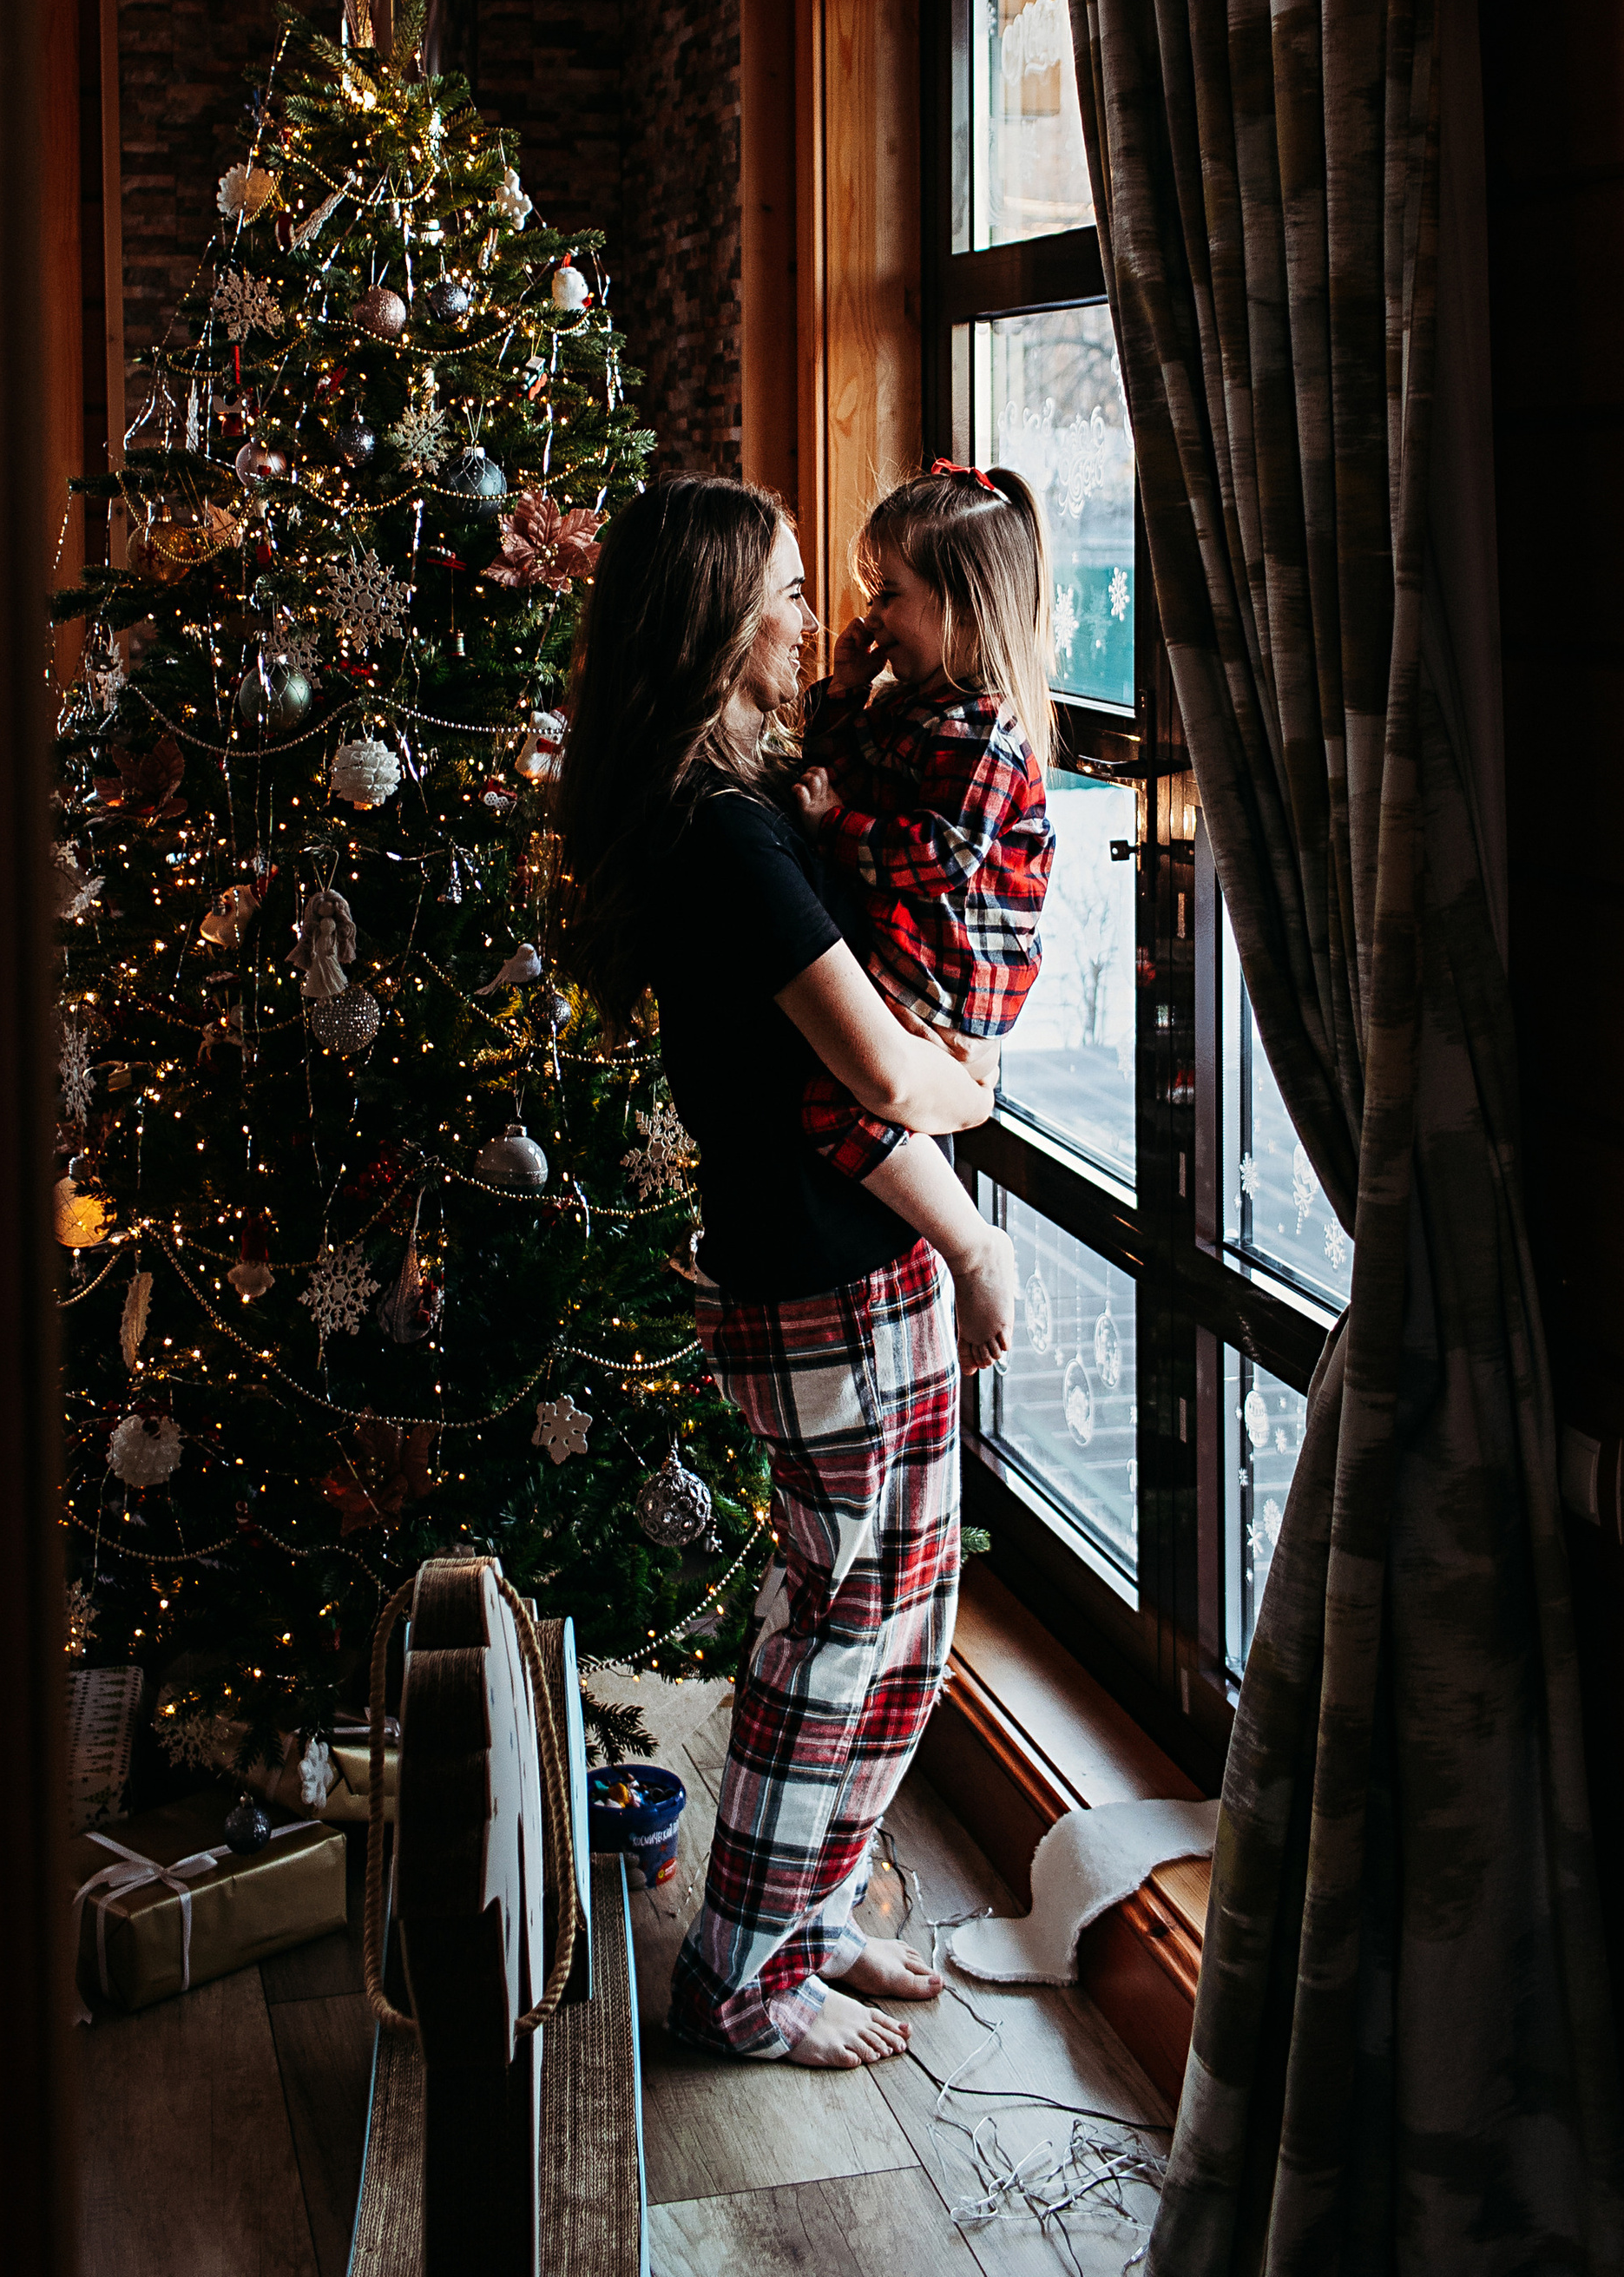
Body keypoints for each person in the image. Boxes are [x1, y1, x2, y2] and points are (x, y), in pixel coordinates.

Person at [556, 475, 1018, 2068]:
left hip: (865, 1264)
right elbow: (882, 1074)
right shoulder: (722, 837)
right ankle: (740, 1981)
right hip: (816, 1280)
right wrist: (970, 1089)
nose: (819, 619)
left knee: (904, 1615)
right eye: (795, 589)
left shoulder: (747, 804)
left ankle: (811, 1917)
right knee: (832, 1637)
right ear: (721, 623)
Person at [792, 461, 1055, 1181]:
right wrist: (844, 692)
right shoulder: (904, 706)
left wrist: (832, 826)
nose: (869, 615)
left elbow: (940, 857)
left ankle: (964, 1241)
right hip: (913, 948)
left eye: (888, 594)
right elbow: (828, 773)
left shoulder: (983, 736)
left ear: (963, 609)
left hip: (951, 972)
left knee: (829, 1102)